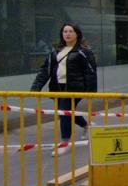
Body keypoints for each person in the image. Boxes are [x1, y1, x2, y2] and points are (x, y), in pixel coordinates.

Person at [30, 23, 98, 156]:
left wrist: (91, 91)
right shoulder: (55, 52)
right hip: (57, 87)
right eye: (65, 31)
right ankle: (87, 126)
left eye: (71, 31)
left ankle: (65, 142)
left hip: (75, 88)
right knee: (67, 112)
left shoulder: (84, 52)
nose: (67, 34)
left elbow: (90, 72)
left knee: (63, 112)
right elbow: (45, 71)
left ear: (77, 34)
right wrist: (36, 87)